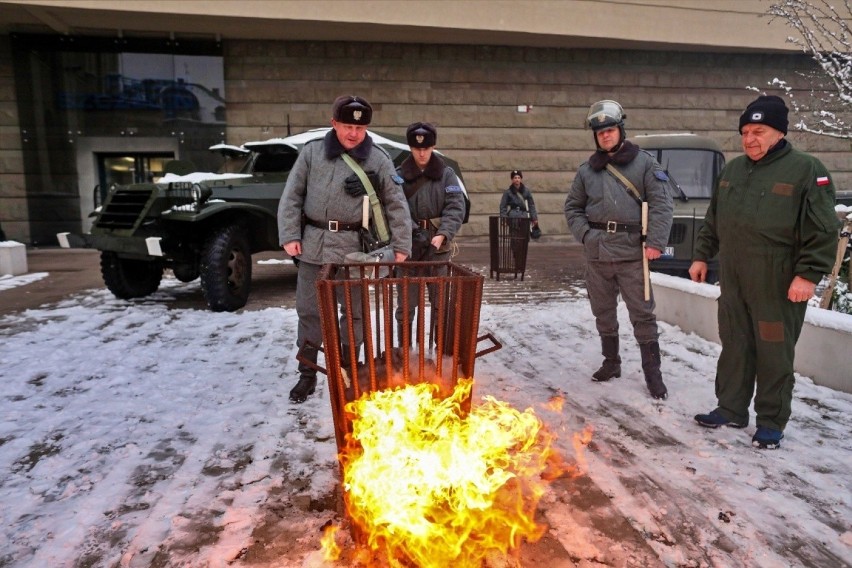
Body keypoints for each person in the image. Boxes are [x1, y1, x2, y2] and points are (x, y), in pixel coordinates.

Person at [690, 95, 839, 449]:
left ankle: (771, 420)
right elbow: (714, 219)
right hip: (735, 274)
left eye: (759, 130)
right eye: (745, 131)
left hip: (778, 279)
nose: (749, 139)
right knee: (735, 343)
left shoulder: (806, 169)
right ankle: (731, 408)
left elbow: (823, 229)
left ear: (779, 133)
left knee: (774, 351)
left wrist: (808, 275)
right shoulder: (733, 170)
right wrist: (701, 255)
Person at [278, 95, 412, 403]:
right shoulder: (312, 153)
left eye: (361, 127)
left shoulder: (378, 159)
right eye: (348, 126)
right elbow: (292, 195)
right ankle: (308, 374)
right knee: (309, 312)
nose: (354, 133)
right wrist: (289, 234)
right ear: (334, 123)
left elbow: (396, 204)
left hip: (356, 253)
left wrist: (401, 246)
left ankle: (351, 371)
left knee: (355, 315)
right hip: (314, 246)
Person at [564, 99, 673, 400]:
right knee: (603, 312)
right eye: (600, 133)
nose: (606, 136)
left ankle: (653, 374)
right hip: (597, 252)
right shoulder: (587, 170)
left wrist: (655, 243)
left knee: (642, 314)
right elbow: (573, 207)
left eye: (610, 130)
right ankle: (611, 362)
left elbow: (663, 205)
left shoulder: (644, 163)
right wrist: (585, 235)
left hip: (632, 253)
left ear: (620, 130)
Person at [394, 122, 466, 346]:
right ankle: (404, 354)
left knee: (440, 304)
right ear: (411, 148)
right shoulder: (399, 176)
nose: (422, 153)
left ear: (433, 147)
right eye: (417, 149)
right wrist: (413, 232)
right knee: (406, 305)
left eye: (426, 148)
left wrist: (443, 233)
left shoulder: (446, 175)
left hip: (438, 248)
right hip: (409, 249)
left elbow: (456, 206)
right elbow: (395, 208)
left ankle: (442, 352)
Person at [499, 170, 538, 265]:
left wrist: (534, 218)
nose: (517, 179)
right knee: (514, 239)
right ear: (512, 180)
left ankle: (522, 258)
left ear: (521, 179)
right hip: (513, 217)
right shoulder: (508, 192)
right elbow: (503, 206)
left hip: (524, 217)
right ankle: (516, 257)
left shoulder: (526, 191)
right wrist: (504, 218)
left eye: (518, 178)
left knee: (524, 238)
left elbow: (531, 205)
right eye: (515, 178)